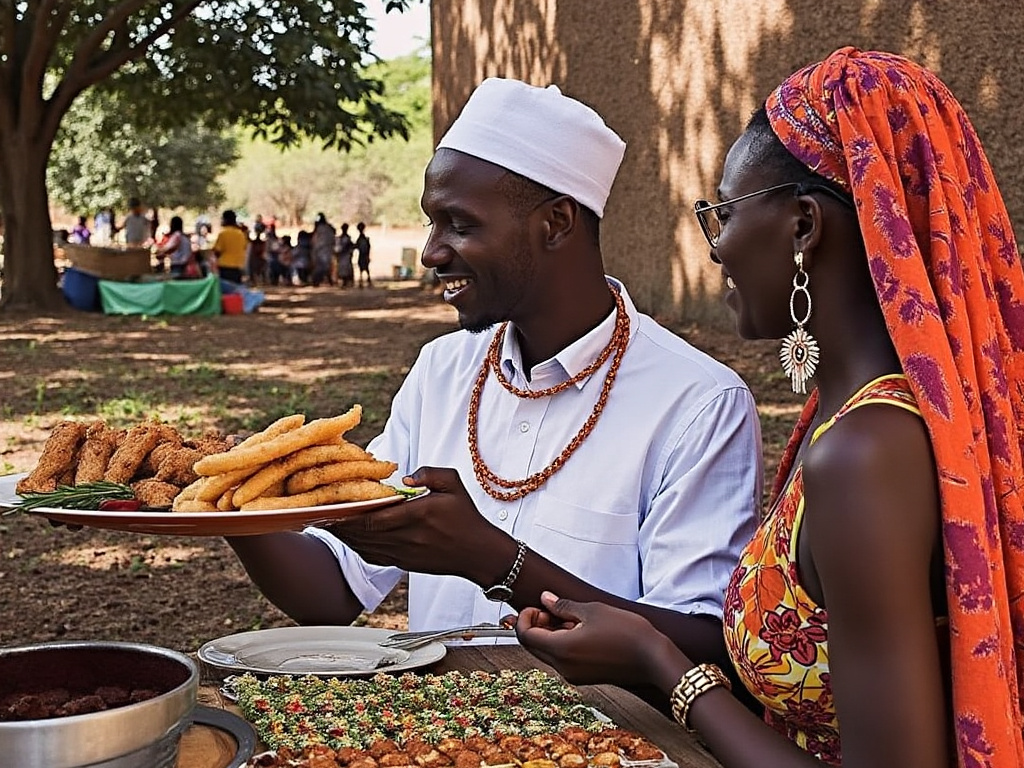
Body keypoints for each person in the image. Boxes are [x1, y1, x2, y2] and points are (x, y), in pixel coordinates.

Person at [512, 48, 1024, 768]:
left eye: (722, 213)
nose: (717, 249)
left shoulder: (864, 454)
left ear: (804, 228)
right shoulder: (857, 417)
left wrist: (667, 669)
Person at [227, 78, 763, 679]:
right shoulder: (441, 371)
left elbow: (707, 643)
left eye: (459, 224)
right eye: (432, 224)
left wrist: (493, 560)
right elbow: (332, 591)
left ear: (556, 222)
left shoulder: (696, 403)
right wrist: (226, 505)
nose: (431, 252)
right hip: (434, 738)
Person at [212, 209, 248, 284]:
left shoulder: (223, 233)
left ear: (225, 219)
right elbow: (244, 247)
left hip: (225, 267)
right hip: (238, 267)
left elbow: (217, 251)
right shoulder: (240, 234)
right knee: (235, 291)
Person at [311, 212, 337, 287]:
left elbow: (314, 239)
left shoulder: (319, 229)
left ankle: (317, 281)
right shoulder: (329, 228)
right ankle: (329, 281)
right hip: (327, 249)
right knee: (326, 266)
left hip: (320, 250)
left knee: (320, 266)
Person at [336, 223, 355, 287]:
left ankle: (345, 281)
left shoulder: (345, 238)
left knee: (345, 268)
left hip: (344, 255)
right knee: (345, 268)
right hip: (344, 255)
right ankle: (345, 281)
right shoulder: (344, 238)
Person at [354, 221, 372, 287]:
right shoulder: (365, 239)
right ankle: (367, 280)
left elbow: (356, 246)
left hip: (362, 255)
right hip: (364, 255)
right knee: (366, 268)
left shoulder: (360, 239)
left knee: (362, 268)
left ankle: (362, 281)